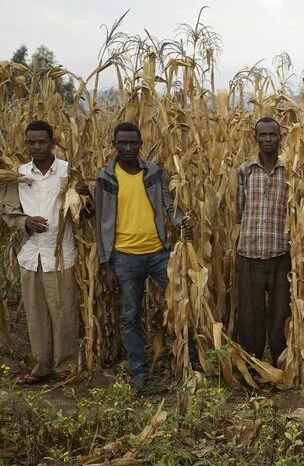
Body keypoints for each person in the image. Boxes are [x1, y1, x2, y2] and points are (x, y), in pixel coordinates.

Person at [94, 122, 192, 392]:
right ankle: (139, 372)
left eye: (133, 143)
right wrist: (106, 264)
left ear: (140, 144)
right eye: (122, 143)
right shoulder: (105, 180)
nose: (127, 148)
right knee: (130, 316)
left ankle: (188, 363)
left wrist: (183, 224)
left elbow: (169, 206)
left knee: (181, 304)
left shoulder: (154, 173)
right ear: (114, 145)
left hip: (159, 253)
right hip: (124, 257)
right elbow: (100, 222)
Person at [1, 121, 81, 385]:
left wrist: (84, 197)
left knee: (63, 313)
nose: (36, 147)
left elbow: (84, 207)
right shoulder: (20, 175)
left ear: (52, 142)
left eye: (42, 142)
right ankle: (41, 365)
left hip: (60, 255)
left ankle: (66, 366)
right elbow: (9, 211)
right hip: (30, 255)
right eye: (31, 142)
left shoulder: (68, 171)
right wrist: (25, 222)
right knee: (35, 315)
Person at [234, 117, 292, 366]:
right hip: (249, 252)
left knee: (281, 313)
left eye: (273, 135)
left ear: (280, 137)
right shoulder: (244, 170)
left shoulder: (289, 172)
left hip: (280, 253)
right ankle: (252, 364)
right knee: (250, 314)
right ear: (255, 138)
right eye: (263, 135)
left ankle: (281, 363)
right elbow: (239, 211)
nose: (268, 140)